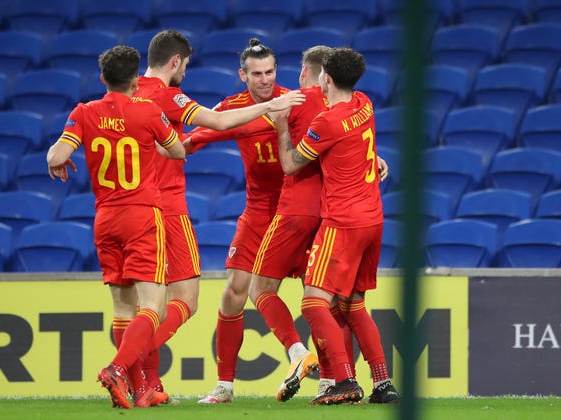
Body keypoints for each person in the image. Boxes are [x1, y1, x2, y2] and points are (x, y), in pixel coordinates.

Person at [132, 30, 305, 395]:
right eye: (256, 74)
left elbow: (333, 138)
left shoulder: (296, 102)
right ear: (243, 75)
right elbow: (195, 139)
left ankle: (329, 376)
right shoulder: (233, 108)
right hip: (259, 212)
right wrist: (164, 150)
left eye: (270, 72)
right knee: (234, 292)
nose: (265, 80)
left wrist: (375, 157)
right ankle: (225, 386)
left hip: (296, 212)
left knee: (318, 296)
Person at [246, 45, 389, 403]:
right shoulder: (364, 104)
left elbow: (292, 164)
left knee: (312, 304)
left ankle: (343, 381)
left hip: (343, 223)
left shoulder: (327, 122)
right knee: (354, 305)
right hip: (374, 218)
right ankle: (384, 384)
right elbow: (354, 146)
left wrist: (281, 128)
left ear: (325, 78)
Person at [46, 45, 185, 409]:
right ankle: (118, 369)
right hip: (142, 213)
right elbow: (177, 151)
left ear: (104, 78)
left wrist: (57, 164)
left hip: (106, 218)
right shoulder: (148, 110)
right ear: (137, 80)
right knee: (153, 306)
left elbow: (56, 156)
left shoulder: (85, 112)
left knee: (124, 310)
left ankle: (139, 390)